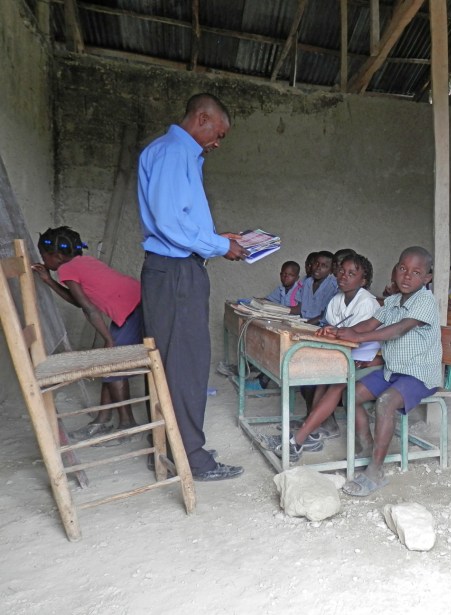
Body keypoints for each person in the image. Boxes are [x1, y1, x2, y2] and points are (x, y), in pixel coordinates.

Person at [137, 92, 246, 481]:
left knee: (176, 363)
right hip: (177, 272)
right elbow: (169, 222)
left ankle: (168, 451)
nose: (217, 143)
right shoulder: (173, 152)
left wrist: (216, 236)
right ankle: (192, 458)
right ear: (202, 119)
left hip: (175, 270)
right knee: (186, 365)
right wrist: (220, 245)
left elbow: (179, 219)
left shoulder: (176, 153)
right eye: (218, 133)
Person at [332, 246, 442, 497]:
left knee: (385, 402)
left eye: (416, 272)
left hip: (420, 374)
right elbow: (369, 324)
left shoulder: (425, 301)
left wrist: (358, 337)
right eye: (402, 268)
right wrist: (339, 331)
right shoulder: (392, 302)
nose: (406, 276)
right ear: (395, 269)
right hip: (393, 371)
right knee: (351, 395)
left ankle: (376, 470)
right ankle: (368, 446)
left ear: (427, 278)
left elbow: (398, 330)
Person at [263, 253, 382, 460]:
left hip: (365, 358)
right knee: (322, 378)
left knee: (335, 381)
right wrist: (326, 330)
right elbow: (331, 327)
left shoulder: (367, 303)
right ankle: (310, 428)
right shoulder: (336, 300)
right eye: (342, 271)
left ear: (363, 281)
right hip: (342, 355)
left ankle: (298, 440)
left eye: (351, 274)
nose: (344, 276)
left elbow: (356, 336)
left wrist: (332, 332)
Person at [33, 226, 142, 439]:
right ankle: (102, 420)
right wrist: (49, 281)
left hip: (135, 311)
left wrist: (108, 339)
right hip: (135, 305)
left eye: (44, 256)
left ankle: (127, 424)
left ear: (56, 255)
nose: (44, 261)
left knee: (111, 366)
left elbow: (88, 308)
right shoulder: (83, 262)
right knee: (108, 364)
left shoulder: (67, 269)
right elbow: (79, 300)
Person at [294, 250, 337, 324]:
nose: (318, 267)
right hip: (303, 322)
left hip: (320, 326)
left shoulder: (334, 286)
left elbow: (325, 315)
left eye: (324, 265)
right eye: (316, 263)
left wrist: (306, 325)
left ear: (331, 270)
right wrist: (280, 311)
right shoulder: (307, 282)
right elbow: (299, 308)